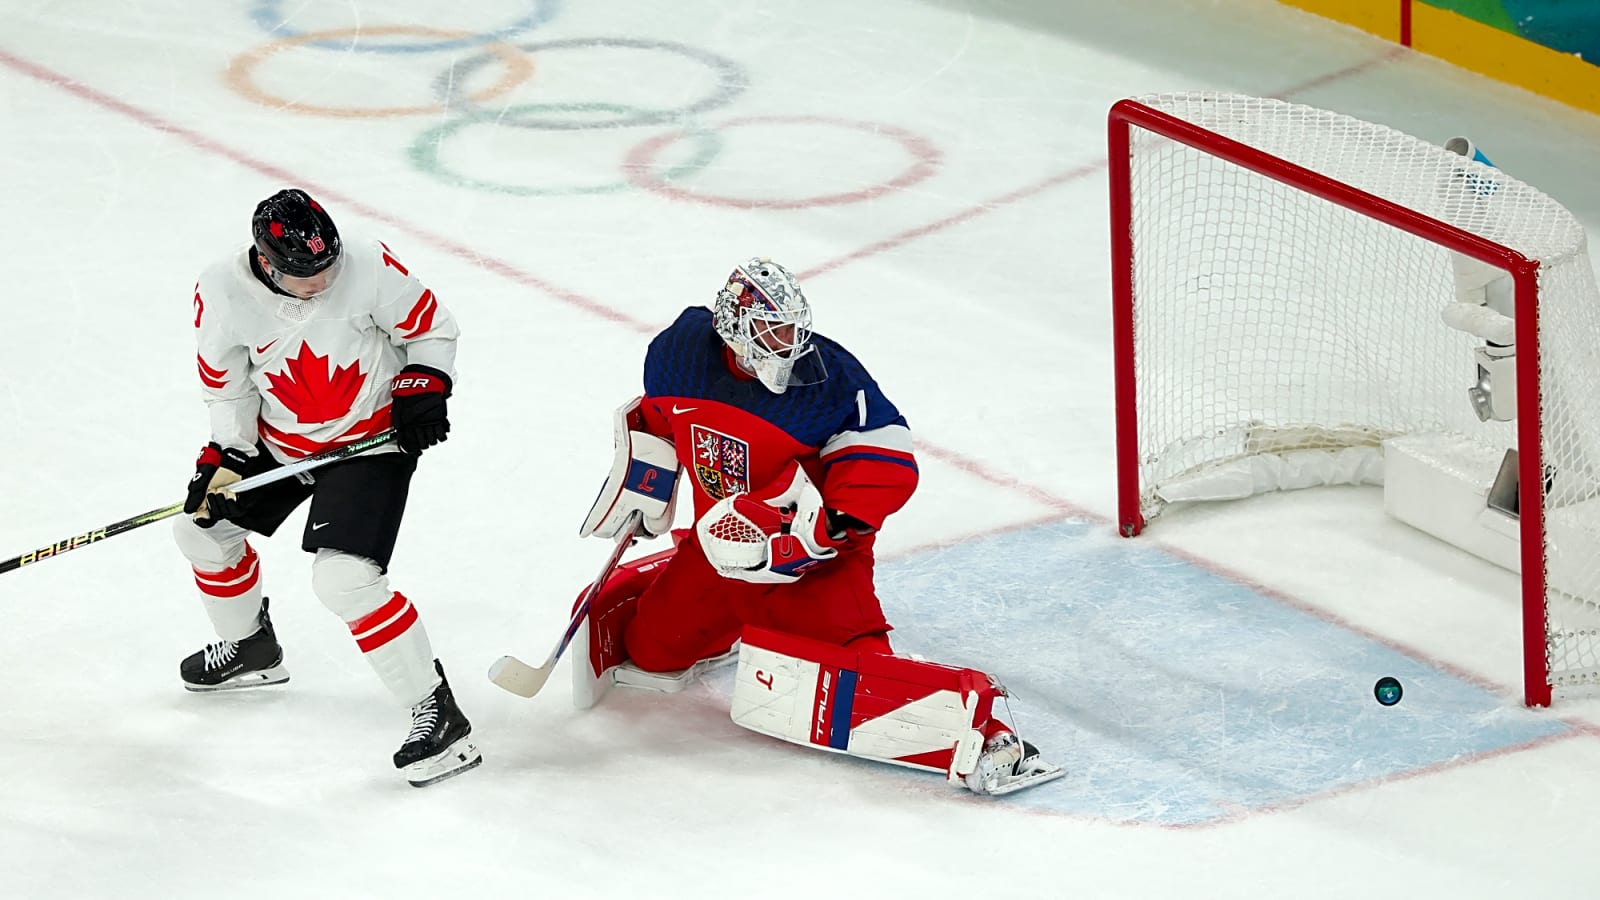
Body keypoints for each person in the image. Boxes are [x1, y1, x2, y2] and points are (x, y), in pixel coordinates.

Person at [572, 258, 1062, 796]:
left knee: (861, 679)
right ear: (735, 328)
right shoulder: (678, 355)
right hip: (718, 547)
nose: (788, 344)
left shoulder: (828, 381)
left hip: (808, 564)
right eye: (772, 330)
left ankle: (985, 739)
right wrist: (646, 480)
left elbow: (882, 455)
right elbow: (660, 421)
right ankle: (731, 623)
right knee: (652, 651)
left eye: (791, 328)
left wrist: (823, 533)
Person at [174, 188, 480, 788]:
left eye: (328, 265)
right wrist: (226, 455)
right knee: (201, 531)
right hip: (282, 442)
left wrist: (425, 383)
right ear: (266, 261)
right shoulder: (221, 290)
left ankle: (438, 715)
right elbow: (227, 385)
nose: (324, 280)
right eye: (306, 273)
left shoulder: (366, 263)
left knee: (344, 580)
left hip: (369, 441)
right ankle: (251, 649)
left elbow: (432, 327)